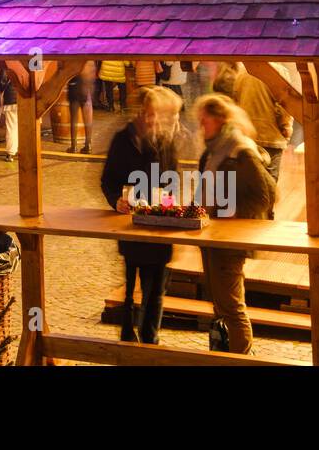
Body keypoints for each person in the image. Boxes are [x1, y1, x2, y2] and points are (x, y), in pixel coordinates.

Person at [193, 93, 275, 354]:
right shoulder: (215, 148)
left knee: (231, 307)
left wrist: (232, 213)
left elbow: (266, 195)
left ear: (219, 120)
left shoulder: (240, 150)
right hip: (211, 234)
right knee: (221, 305)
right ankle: (225, 355)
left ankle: (241, 358)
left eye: (204, 121)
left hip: (231, 238)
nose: (201, 127)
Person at [100, 86, 183, 343]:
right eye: (148, 114)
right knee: (130, 282)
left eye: (156, 115)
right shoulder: (123, 140)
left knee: (156, 288)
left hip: (159, 225)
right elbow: (109, 180)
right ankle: (128, 334)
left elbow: (174, 178)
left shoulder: (165, 140)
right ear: (139, 113)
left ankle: (151, 339)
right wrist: (117, 201)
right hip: (132, 226)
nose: (152, 120)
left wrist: (169, 199)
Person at [223, 63, 290, 183]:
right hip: (272, 137)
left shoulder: (243, 72)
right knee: (270, 184)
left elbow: (236, 102)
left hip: (248, 138)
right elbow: (285, 105)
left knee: (251, 183)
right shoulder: (279, 72)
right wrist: (286, 127)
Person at [66, 60, 98, 154]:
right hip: (86, 87)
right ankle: (88, 145)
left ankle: (74, 146)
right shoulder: (90, 58)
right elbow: (92, 72)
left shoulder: (75, 52)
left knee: (74, 118)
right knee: (88, 119)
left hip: (75, 83)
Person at [0, 66, 19, 161]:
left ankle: (10, 153)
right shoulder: (27, 61)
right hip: (25, 98)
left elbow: (1, 84)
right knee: (24, 127)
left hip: (10, 99)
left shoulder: (6, 64)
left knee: (11, 127)